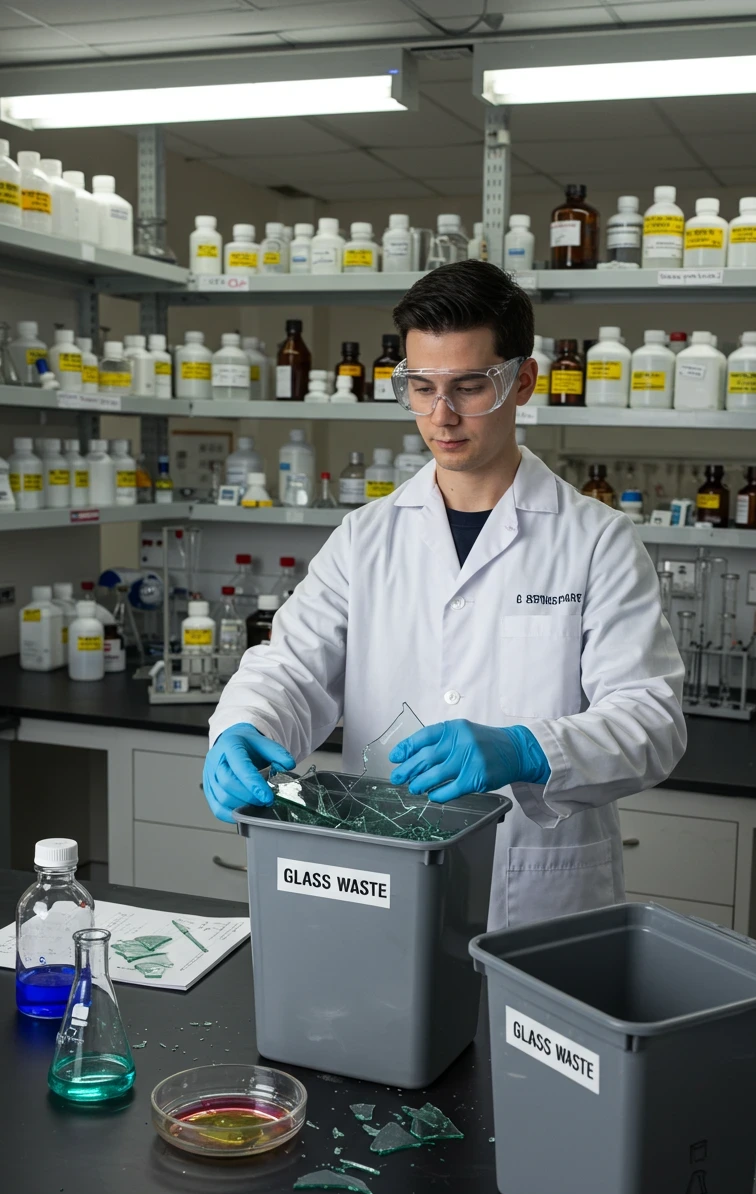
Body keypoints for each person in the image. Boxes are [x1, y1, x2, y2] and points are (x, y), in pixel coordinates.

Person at [203, 260, 686, 929]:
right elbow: (291, 665)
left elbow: (651, 721)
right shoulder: (367, 537)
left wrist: (529, 749)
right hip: (385, 879)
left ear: (522, 381)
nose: (442, 415)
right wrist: (243, 728)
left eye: (468, 387)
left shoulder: (596, 540)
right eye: (421, 387)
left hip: (539, 892)